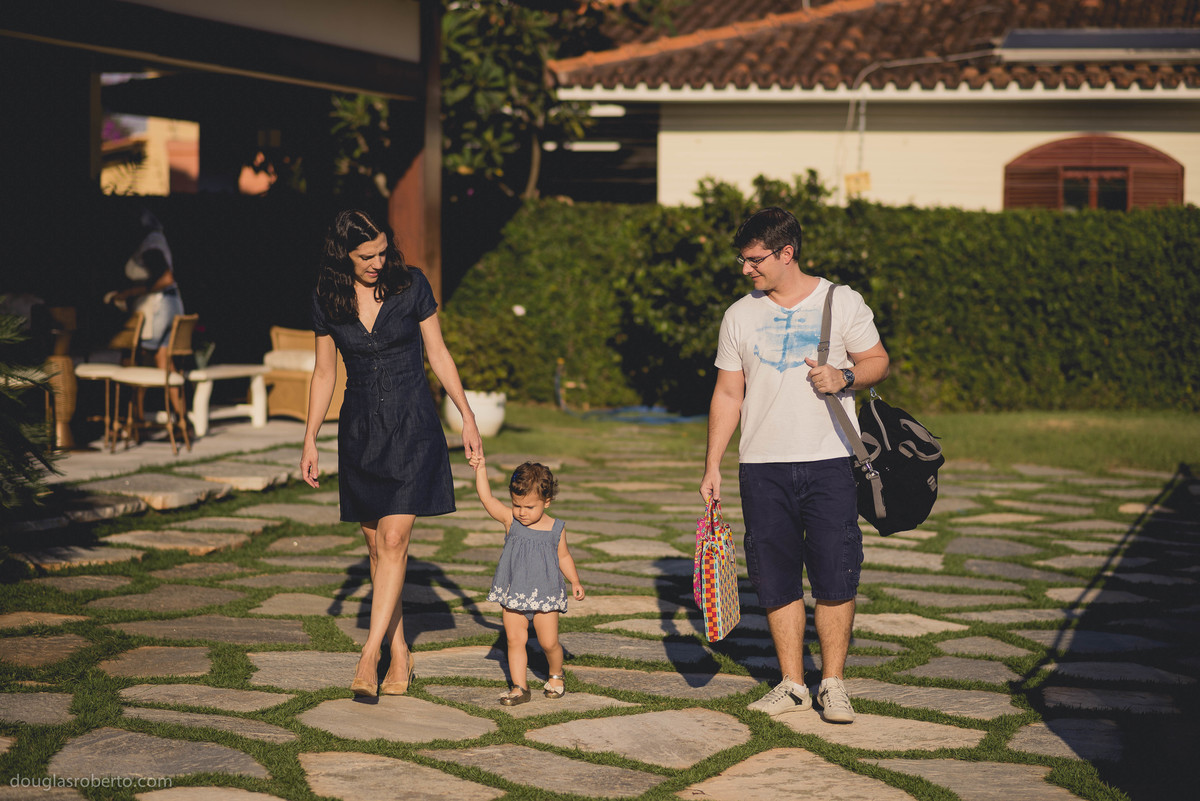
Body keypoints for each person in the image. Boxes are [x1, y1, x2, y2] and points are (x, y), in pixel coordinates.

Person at [698, 207, 890, 724]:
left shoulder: (840, 300)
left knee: (835, 573)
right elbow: (727, 390)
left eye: (754, 259)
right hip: (761, 464)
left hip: (829, 460)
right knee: (775, 576)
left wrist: (844, 377)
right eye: (742, 259)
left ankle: (833, 684)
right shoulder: (739, 314)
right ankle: (791, 684)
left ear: (786, 253)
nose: (746, 269)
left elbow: (878, 360)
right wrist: (713, 463)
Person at [300, 209, 483, 698]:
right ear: (344, 255)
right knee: (378, 554)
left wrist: (465, 414)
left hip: (412, 426)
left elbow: (439, 353)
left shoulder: (411, 286)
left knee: (395, 540)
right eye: (366, 256)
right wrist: (310, 437)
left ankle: (369, 654)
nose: (378, 261)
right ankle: (400, 651)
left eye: (382, 250)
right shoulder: (327, 296)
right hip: (359, 432)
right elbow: (323, 374)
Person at [470, 457, 585, 705]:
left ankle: (555, 674)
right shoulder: (511, 521)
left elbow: (563, 556)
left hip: (545, 594)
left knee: (549, 642)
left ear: (547, 501)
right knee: (514, 640)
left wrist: (574, 580)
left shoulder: (556, 528)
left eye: (529, 507)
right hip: (515, 593)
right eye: (516, 505)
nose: (522, 512)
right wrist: (481, 469)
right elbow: (487, 499)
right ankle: (519, 686)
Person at [102, 209, 185, 420]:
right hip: (172, 303)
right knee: (165, 364)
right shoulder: (158, 240)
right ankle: (182, 420)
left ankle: (135, 420)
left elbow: (165, 278)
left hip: (159, 308)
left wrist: (129, 293)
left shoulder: (150, 244)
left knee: (139, 361)